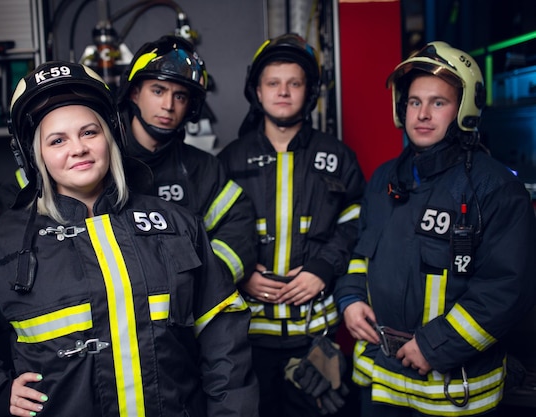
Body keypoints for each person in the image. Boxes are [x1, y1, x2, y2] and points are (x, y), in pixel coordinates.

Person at [0, 61, 259, 417]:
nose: (78, 148)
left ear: (111, 138)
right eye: (57, 140)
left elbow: (224, 342)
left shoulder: (178, 224)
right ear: (35, 156)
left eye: (89, 132)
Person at [334, 41, 536, 416]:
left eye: (438, 103)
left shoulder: (496, 191)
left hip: (456, 395)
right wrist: (350, 299)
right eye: (414, 102)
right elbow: (362, 254)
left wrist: (434, 346)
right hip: (382, 387)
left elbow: (505, 291)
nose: (422, 114)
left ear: (464, 110)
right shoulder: (383, 180)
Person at [218, 33, 367, 417]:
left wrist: (323, 269)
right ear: (257, 91)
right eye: (273, 83)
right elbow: (209, 233)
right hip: (248, 337)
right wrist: (242, 274)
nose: (283, 92)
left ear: (310, 91)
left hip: (315, 335)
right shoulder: (229, 160)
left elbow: (357, 223)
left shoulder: (338, 157)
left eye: (294, 83)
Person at [114, 35, 257, 284]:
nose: (169, 105)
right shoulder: (100, 163)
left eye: (180, 96)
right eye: (158, 91)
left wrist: (207, 281)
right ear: (135, 94)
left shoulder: (203, 168)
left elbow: (238, 227)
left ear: (190, 106)